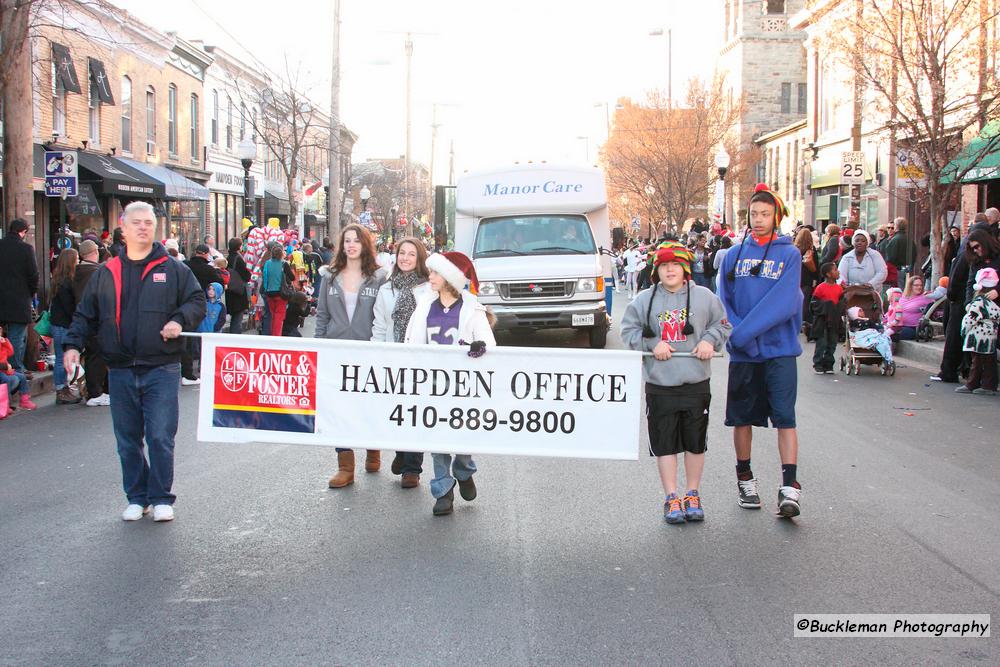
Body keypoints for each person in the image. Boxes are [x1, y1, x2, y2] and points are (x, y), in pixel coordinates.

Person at [63, 201, 206, 522]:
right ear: (124, 229)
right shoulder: (107, 272)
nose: (143, 227)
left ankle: (161, 498)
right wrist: (72, 345)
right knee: (127, 439)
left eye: (149, 222)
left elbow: (197, 300)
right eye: (137, 223)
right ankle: (137, 497)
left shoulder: (173, 269)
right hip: (121, 368)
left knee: (160, 436)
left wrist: (180, 320)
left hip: (162, 367)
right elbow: (85, 313)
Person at [620, 242, 731, 524]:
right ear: (656, 269)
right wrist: (653, 342)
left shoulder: (705, 297)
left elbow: (722, 324)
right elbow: (628, 330)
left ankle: (692, 492)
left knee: (695, 443)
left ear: (685, 268)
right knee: (665, 443)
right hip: (660, 385)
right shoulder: (645, 300)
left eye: (675, 264)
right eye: (664, 265)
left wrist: (709, 340)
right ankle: (671, 496)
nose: (670, 269)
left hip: (695, 382)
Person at [717, 184, 804, 518]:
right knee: (742, 418)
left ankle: (790, 486)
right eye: (754, 213)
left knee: (785, 416)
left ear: (776, 217)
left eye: (765, 214)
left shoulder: (789, 254)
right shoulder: (732, 255)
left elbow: (783, 303)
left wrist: (745, 333)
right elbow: (723, 298)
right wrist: (737, 335)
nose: (759, 219)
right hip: (743, 353)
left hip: (778, 350)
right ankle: (745, 478)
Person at [404, 251, 495, 516]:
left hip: (464, 388)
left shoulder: (472, 309)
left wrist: (478, 349)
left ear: (450, 278)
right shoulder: (424, 306)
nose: (429, 276)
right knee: (438, 439)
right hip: (433, 386)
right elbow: (413, 344)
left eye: (435, 272)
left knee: (463, 437)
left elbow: (489, 345)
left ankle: (464, 470)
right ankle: (442, 490)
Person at [316, 224, 388, 488]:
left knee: (368, 404)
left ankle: (373, 449)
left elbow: (383, 317)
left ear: (365, 244)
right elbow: (322, 315)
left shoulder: (379, 277)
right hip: (337, 350)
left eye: (356, 240)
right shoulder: (329, 276)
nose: (351, 245)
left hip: (368, 350)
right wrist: (319, 347)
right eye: (346, 241)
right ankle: (345, 466)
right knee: (339, 408)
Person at [372, 238, 432, 488]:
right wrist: (376, 353)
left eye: (411, 254)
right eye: (402, 253)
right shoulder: (386, 289)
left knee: (415, 411)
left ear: (419, 259)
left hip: (419, 358)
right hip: (392, 355)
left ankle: (412, 469)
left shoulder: (429, 289)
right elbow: (380, 324)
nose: (405, 258)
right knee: (395, 410)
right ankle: (400, 451)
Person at [0, 218, 40, 378]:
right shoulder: (26, 249)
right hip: (19, 300)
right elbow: (33, 275)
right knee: (17, 336)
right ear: (23, 231)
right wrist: (30, 294)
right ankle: (15, 368)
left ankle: (6, 365)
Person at [73, 240, 109, 405]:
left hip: (85, 319)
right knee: (96, 356)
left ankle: (94, 390)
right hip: (96, 320)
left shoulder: (77, 272)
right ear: (94, 252)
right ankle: (95, 392)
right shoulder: (95, 272)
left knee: (92, 355)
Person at [957, 267, 1000, 395]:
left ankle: (971, 384)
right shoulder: (994, 305)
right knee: (988, 363)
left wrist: (964, 330)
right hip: (990, 337)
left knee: (976, 362)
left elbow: (969, 319)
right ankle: (988, 385)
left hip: (977, 338)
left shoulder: (979, 302)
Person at [48, 248, 82, 404]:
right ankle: (61, 389)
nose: (78, 261)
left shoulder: (58, 279)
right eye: (76, 259)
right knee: (62, 358)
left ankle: (63, 388)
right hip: (63, 324)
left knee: (61, 358)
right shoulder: (66, 282)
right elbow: (69, 307)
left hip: (58, 323)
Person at [809, 262, 844, 374]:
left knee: (832, 343)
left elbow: (841, 303)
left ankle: (828, 364)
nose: (838, 271)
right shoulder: (820, 288)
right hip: (822, 320)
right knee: (822, 343)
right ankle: (818, 364)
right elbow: (814, 303)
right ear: (828, 274)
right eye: (835, 270)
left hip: (834, 320)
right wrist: (826, 306)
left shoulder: (839, 289)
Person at [889, 275, 946, 341]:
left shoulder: (926, 298)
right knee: (881, 330)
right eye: (916, 285)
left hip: (913, 328)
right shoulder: (902, 297)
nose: (919, 287)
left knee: (891, 335)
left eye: (921, 285)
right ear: (910, 286)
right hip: (897, 325)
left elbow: (938, 301)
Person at [0, 323, 37, 415]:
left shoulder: (2, 343)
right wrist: (5, 366)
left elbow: (10, 352)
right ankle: (5, 404)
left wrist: (5, 342)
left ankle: (24, 400)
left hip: (6, 369)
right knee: (6, 380)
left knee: (21, 377)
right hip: (2, 369)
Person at [837, 229, 888, 294]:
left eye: (863, 241)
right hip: (852, 294)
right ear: (853, 242)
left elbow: (882, 272)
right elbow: (840, 275)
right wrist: (844, 285)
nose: (859, 243)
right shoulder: (846, 257)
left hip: (872, 293)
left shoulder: (875, 255)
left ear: (867, 243)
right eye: (857, 240)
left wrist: (870, 284)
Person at [261, 244, 291, 337]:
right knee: (279, 316)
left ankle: (272, 334)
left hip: (269, 292)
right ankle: (276, 336)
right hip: (281, 293)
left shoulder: (267, 263)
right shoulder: (284, 264)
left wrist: (266, 289)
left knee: (273, 315)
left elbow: (265, 277)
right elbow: (292, 277)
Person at [794, 228, 819, 335]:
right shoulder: (811, 250)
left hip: (796, 279)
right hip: (808, 280)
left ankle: (796, 323)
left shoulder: (795, 249)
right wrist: (816, 280)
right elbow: (816, 267)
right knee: (805, 302)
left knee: (796, 302)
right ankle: (804, 322)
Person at [225, 238, 251, 334]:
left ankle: (232, 335)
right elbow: (246, 275)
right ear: (239, 247)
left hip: (230, 289)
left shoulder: (228, 258)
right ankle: (235, 337)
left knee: (234, 316)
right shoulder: (238, 258)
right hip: (238, 291)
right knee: (237, 318)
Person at [882, 217, 917, 288]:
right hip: (908, 270)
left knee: (898, 291)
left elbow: (890, 258)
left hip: (897, 270)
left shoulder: (894, 240)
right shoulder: (910, 239)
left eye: (894, 226)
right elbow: (914, 254)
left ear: (896, 226)